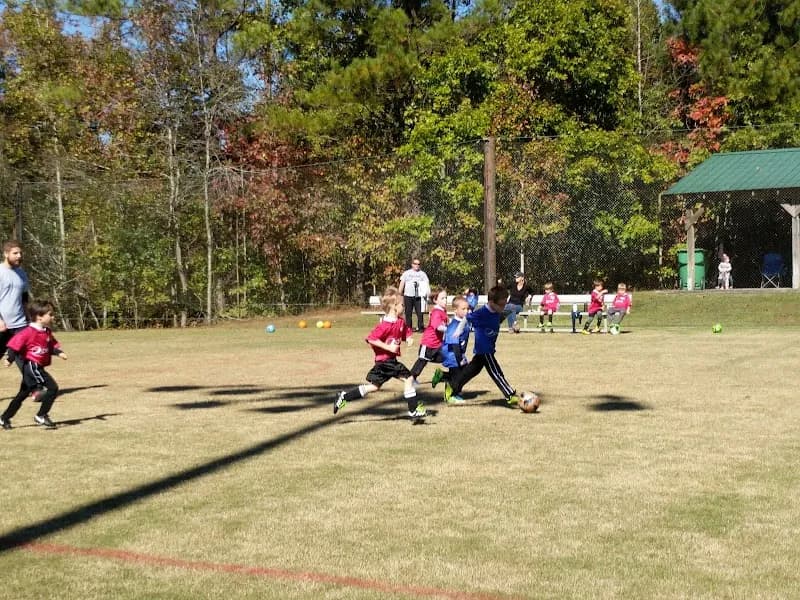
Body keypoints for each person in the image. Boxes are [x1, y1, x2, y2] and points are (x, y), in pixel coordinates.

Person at [334, 287, 426, 419]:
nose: (404, 307)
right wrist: (388, 347)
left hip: (389, 361)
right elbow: (371, 339)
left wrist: (409, 338)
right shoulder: (384, 325)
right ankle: (413, 410)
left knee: (374, 387)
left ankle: (344, 397)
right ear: (394, 306)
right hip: (385, 361)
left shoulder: (400, 321)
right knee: (409, 378)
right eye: (402, 305)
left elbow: (404, 330)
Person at [443, 285, 523, 407]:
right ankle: (510, 395)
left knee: (470, 372)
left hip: (487, 348)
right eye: (500, 305)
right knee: (496, 372)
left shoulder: (498, 311)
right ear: (491, 302)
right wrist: (458, 330)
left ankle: (452, 386)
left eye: (504, 304)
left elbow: (507, 311)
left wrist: (511, 319)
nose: (503, 307)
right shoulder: (481, 313)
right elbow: (466, 318)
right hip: (484, 349)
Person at [0, 300, 68, 430]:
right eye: (50, 314)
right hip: (32, 365)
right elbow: (15, 346)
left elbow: (50, 345)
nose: (53, 317)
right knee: (52, 388)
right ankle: (41, 415)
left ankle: (4, 418)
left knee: (22, 394)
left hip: (36, 367)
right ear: (39, 316)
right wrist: (10, 359)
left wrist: (58, 352)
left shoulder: (46, 332)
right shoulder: (27, 332)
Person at [432, 296, 471, 403]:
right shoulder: (454, 326)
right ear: (455, 310)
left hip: (458, 354)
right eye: (463, 309)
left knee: (462, 374)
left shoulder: (463, 322)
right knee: (457, 376)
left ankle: (442, 376)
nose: (466, 311)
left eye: (467, 309)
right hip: (452, 355)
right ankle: (450, 396)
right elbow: (454, 345)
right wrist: (460, 360)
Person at [409, 287, 448, 384]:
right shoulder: (436, 312)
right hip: (428, 343)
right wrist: (449, 329)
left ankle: (444, 375)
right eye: (442, 298)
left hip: (438, 345)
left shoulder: (443, 311)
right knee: (422, 360)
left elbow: (447, 322)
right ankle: (411, 379)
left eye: (446, 298)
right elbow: (438, 327)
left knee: (448, 358)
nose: (445, 300)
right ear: (435, 300)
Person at [0, 240, 30, 368]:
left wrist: (30, 320)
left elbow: (24, 299)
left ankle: (34, 387)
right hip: (2, 325)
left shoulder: (21, 273)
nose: (19, 256)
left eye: (20, 253)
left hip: (20, 324)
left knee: (25, 360)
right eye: (15, 253)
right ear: (6, 254)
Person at [398, 258, 429, 332]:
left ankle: (420, 328)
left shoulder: (423, 274)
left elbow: (426, 284)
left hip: (419, 296)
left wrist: (427, 294)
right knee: (408, 313)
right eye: (415, 264)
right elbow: (402, 284)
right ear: (412, 264)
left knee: (420, 313)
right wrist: (399, 294)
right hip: (408, 295)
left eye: (418, 264)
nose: (417, 265)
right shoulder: (406, 273)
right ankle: (409, 328)